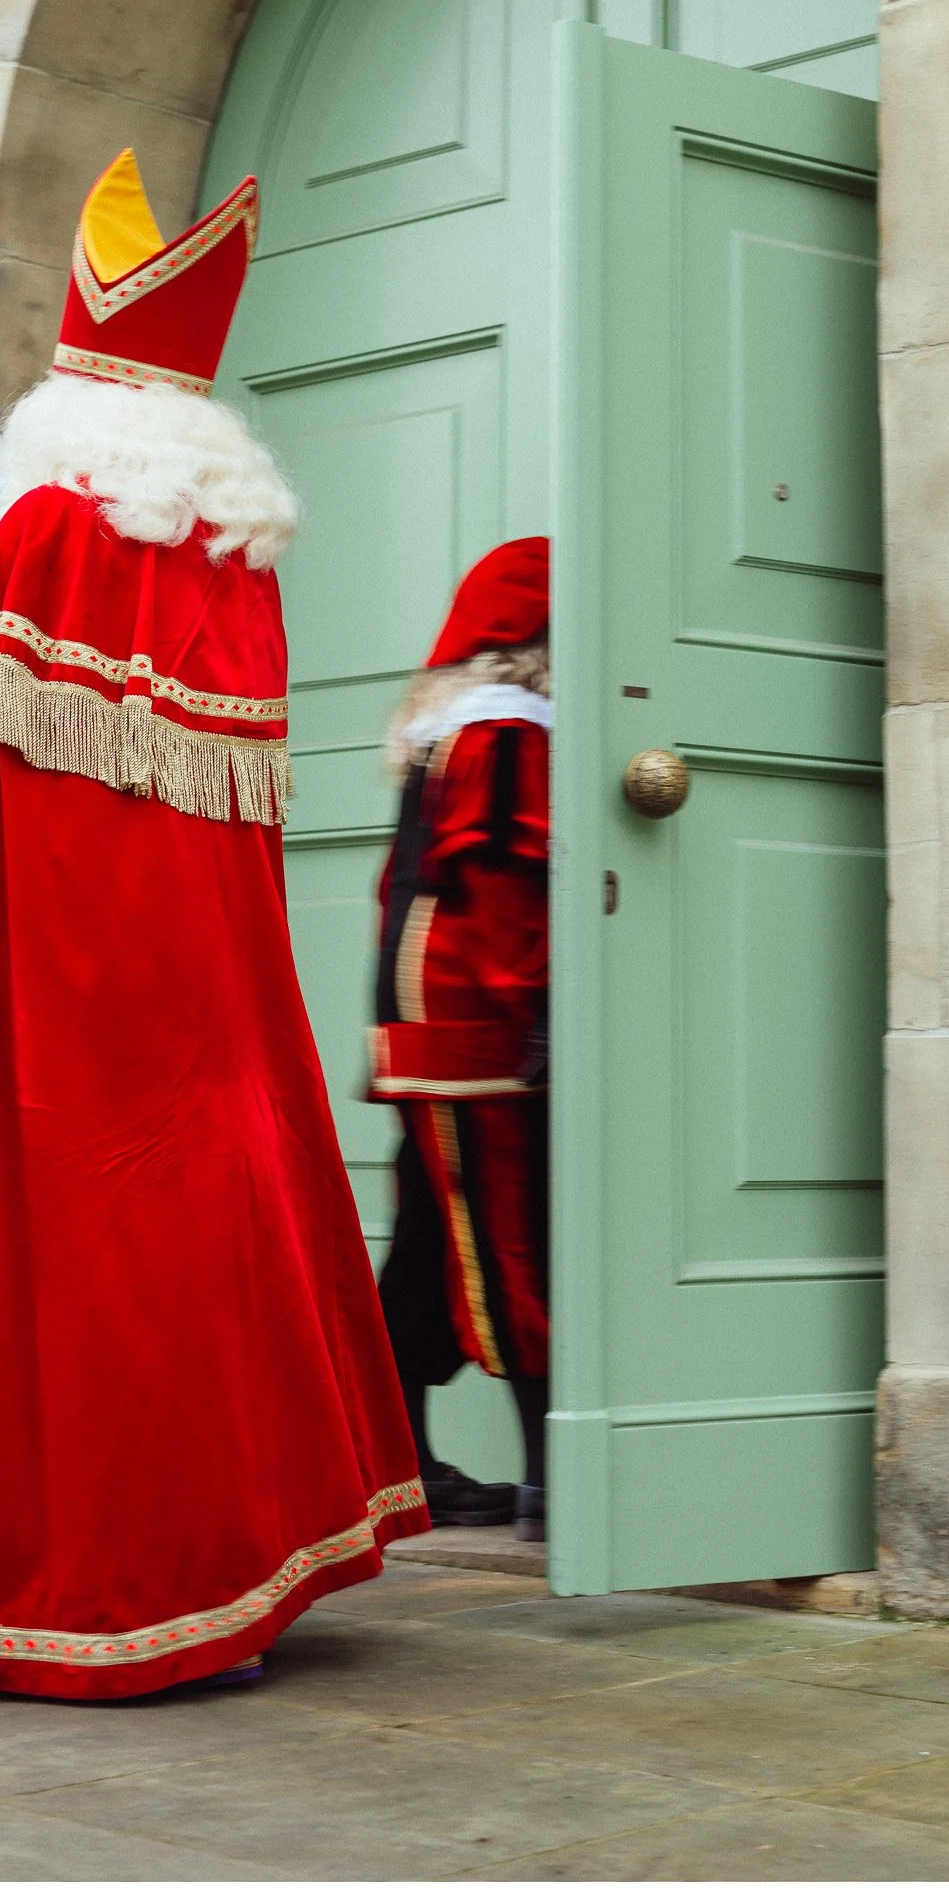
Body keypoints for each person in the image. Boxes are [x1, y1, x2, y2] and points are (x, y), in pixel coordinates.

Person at [0, 150, 427, 1700]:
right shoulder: (216, 556)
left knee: (87, 1263)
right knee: (200, 1245)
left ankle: (118, 1591)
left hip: (72, 1003)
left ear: (76, 410)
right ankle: (234, 1571)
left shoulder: (54, 531)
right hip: (199, 996)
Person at [367, 541, 552, 1542]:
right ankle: (551, 1478)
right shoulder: (503, 734)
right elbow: (497, 902)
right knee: (509, 1244)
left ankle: (395, 1463)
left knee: (430, 1250)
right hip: (478, 1034)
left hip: (428, 1031)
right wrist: (539, 1011)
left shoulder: (447, 736)